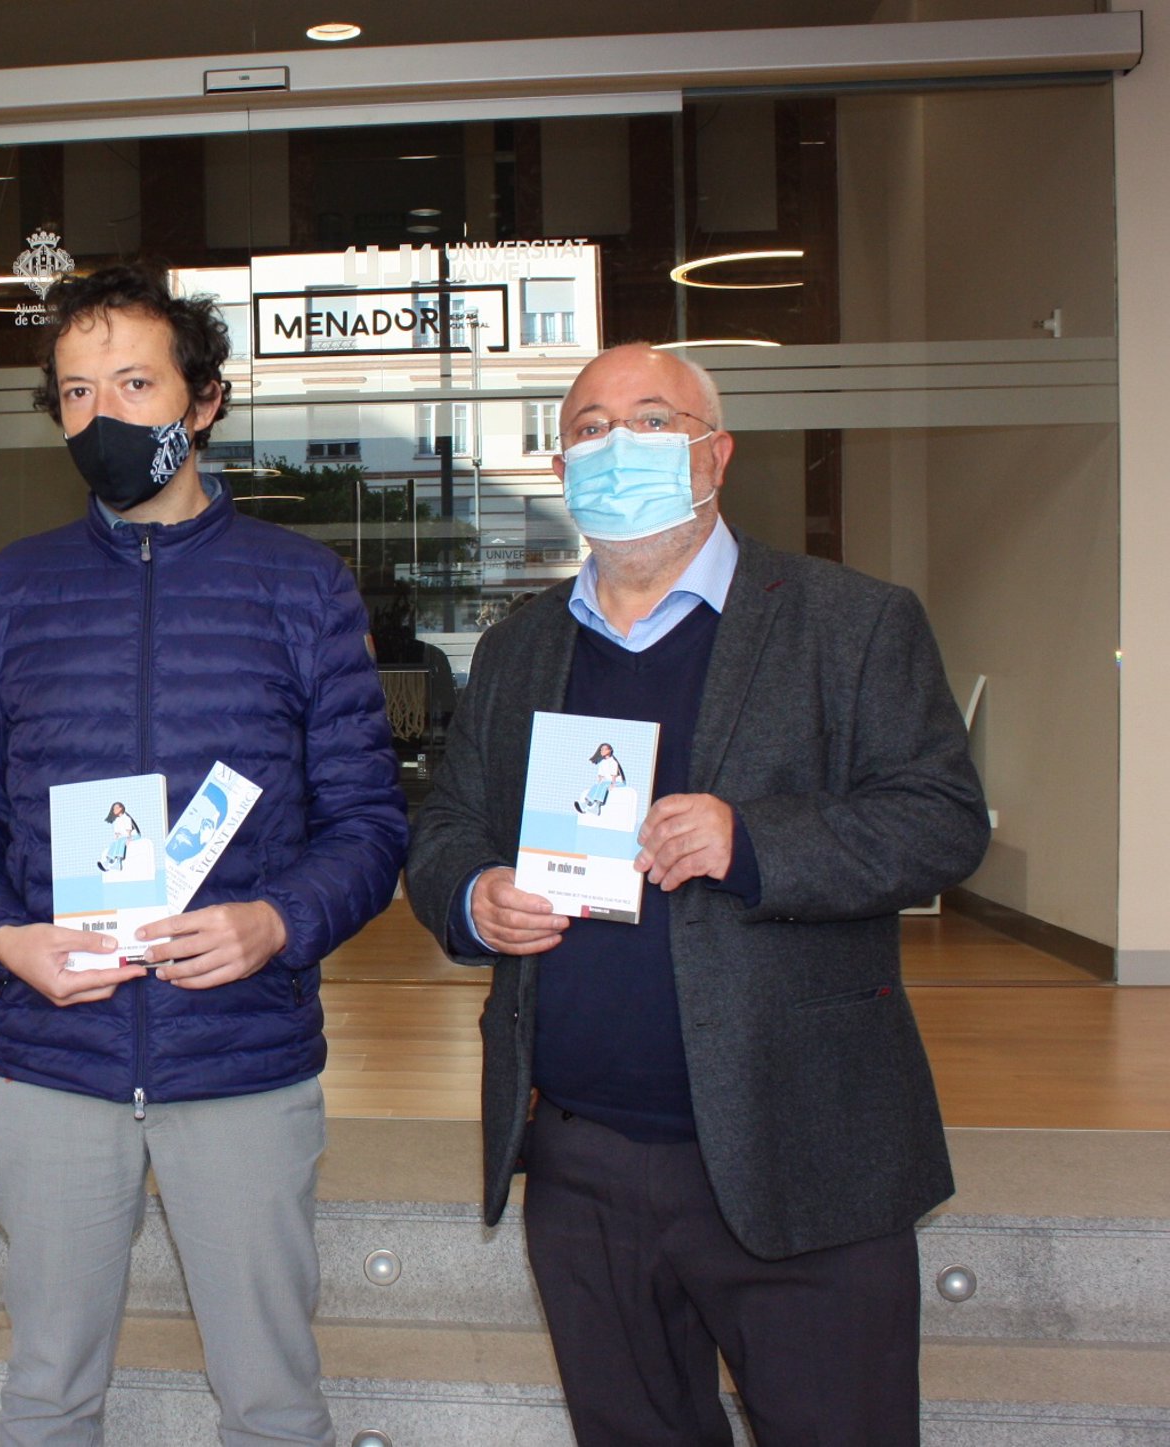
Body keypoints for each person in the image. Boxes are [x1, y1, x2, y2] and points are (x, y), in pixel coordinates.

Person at [406, 344, 990, 1447]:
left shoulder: (849, 621)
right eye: (589, 429)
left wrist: (752, 840)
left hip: (801, 1148)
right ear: (560, 468)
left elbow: (942, 819)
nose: (615, 446)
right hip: (581, 1159)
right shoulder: (522, 646)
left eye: (652, 421)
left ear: (715, 456)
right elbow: (447, 827)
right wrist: (474, 895)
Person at [0, 263, 407, 1446]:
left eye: (134, 383)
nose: (105, 417)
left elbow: (369, 821)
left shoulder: (302, 588)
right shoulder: (12, 591)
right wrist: (3, 939)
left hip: (242, 1058)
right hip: (55, 1057)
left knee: (272, 1400)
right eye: (78, 393)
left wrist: (277, 921)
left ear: (205, 400)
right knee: (46, 1394)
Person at [575, 741, 623, 815]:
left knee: (603, 785)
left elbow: (614, 776)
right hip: (607, 781)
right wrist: (598, 784)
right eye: (601, 750)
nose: (602, 751)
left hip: (618, 782)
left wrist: (612, 785)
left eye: (604, 749)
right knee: (596, 785)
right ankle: (586, 803)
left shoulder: (613, 762)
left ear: (609, 750)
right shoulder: (602, 762)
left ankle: (597, 807)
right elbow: (601, 776)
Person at [97, 800, 139, 871]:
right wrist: (116, 840)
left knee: (121, 842)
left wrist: (128, 839)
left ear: (121, 808)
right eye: (113, 808)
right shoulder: (117, 820)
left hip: (134, 835)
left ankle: (118, 863)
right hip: (123, 837)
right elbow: (117, 833)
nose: (114, 810)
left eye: (116, 808)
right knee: (115, 843)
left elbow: (129, 831)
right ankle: (108, 861)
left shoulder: (126, 818)